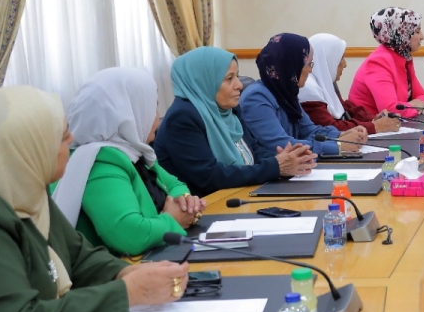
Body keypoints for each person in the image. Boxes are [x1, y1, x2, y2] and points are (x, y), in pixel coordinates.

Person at [0, 86, 189, 312]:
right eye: (62, 136)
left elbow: (79, 257)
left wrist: (126, 273)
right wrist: (128, 293)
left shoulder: (29, 190)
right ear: (27, 147)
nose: (71, 141)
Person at [52, 68, 206, 257]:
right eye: (152, 108)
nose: (157, 118)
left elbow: (174, 184)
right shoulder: (100, 163)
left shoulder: (132, 150)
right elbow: (130, 236)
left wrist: (183, 201)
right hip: (120, 268)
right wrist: (172, 219)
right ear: (127, 113)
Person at [155, 47, 316, 197]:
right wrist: (276, 166)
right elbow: (209, 176)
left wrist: (287, 158)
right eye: (229, 78)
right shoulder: (182, 118)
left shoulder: (229, 110)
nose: (239, 85)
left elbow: (253, 150)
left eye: (237, 76)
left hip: (238, 196)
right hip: (209, 207)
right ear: (204, 81)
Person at [241, 33, 367, 159]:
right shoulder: (256, 98)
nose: (310, 70)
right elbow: (282, 145)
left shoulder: (285, 93)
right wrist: (338, 146)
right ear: (291, 65)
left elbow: (310, 131)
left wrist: (342, 135)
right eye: (308, 64)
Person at [300, 33, 400, 135]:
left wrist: (373, 119)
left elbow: (345, 109)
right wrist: (374, 126)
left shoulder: (322, 83)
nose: (345, 64)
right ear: (326, 59)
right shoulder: (308, 89)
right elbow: (331, 128)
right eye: (341, 58)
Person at [348, 7, 424, 120]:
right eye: (417, 31)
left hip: (395, 125)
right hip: (369, 126)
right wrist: (413, 105)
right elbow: (390, 111)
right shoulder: (377, 63)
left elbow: (423, 96)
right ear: (401, 33)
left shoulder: (403, 58)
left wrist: (415, 105)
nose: (422, 37)